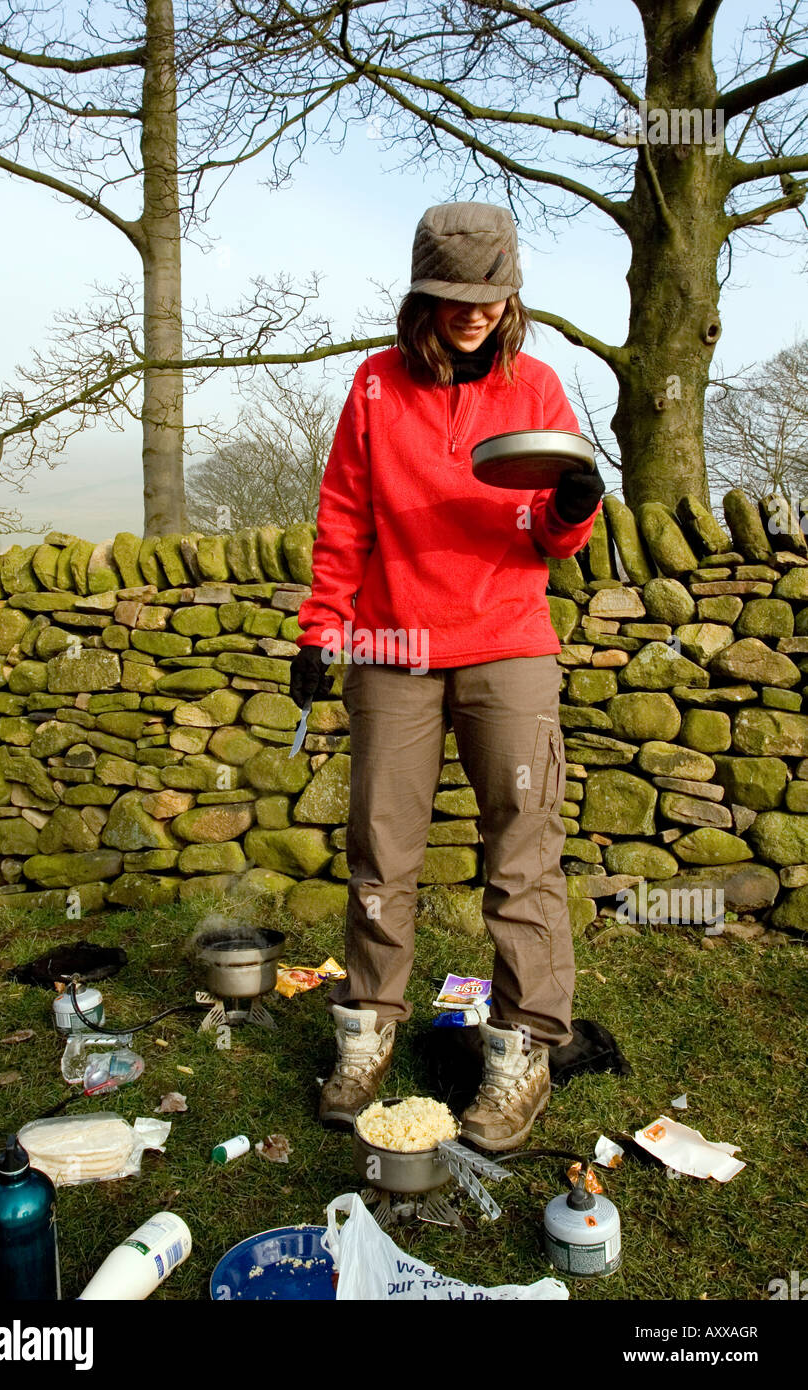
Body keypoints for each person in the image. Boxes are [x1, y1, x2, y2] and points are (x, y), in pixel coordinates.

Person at [290, 201, 606, 1151]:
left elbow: (551, 535)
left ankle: (522, 1054)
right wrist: (322, 626)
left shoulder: (540, 388)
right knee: (382, 848)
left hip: (508, 640)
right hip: (393, 648)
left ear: (511, 298)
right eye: (451, 296)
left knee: (524, 849)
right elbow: (345, 513)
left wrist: (578, 510)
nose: (472, 313)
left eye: (489, 296)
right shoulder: (376, 388)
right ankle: (368, 1031)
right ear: (421, 296)